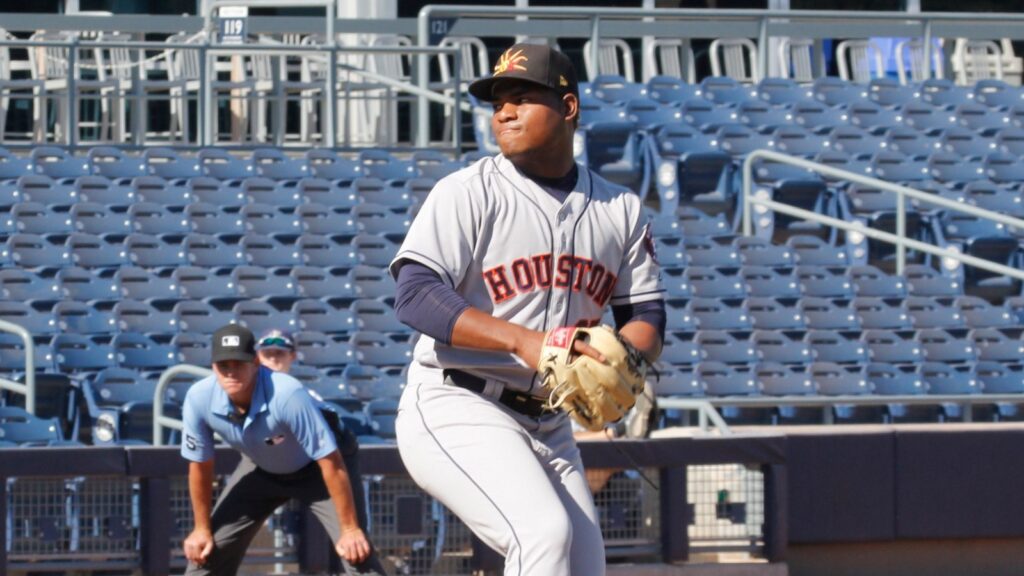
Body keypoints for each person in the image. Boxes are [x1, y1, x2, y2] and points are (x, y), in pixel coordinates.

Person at [390, 43, 666, 575]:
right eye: (498, 104)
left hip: (549, 421)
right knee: (543, 534)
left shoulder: (621, 209)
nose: (504, 113)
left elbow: (647, 316)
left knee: (583, 564)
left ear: (568, 107)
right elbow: (415, 293)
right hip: (458, 400)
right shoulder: (467, 192)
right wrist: (525, 341)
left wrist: (619, 355)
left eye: (521, 98)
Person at [180, 324, 388, 576]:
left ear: (255, 362)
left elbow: (330, 461)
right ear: (213, 367)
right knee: (206, 554)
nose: (231, 372)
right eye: (224, 365)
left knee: (356, 554)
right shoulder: (199, 398)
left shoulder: (286, 393)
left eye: (239, 364)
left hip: (320, 469)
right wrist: (201, 528)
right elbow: (200, 465)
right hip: (261, 466)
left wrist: (350, 529)